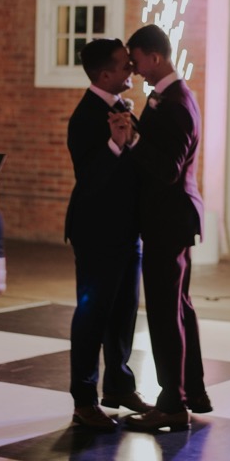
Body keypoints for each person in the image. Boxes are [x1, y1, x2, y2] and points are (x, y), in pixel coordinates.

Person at [109, 24, 212, 432]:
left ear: (154, 57)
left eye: (136, 61)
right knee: (178, 310)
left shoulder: (176, 103)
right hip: (169, 219)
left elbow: (169, 169)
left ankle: (172, 404)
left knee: (167, 313)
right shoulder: (165, 98)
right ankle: (188, 393)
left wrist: (133, 140)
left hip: (169, 219)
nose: (134, 69)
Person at [65, 38, 151, 432]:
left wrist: (132, 142)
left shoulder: (122, 109)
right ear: (104, 75)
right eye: (123, 66)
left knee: (123, 313)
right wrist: (116, 146)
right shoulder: (85, 117)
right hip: (97, 231)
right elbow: (90, 180)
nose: (130, 70)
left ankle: (118, 386)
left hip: (126, 230)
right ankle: (84, 400)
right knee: (92, 315)